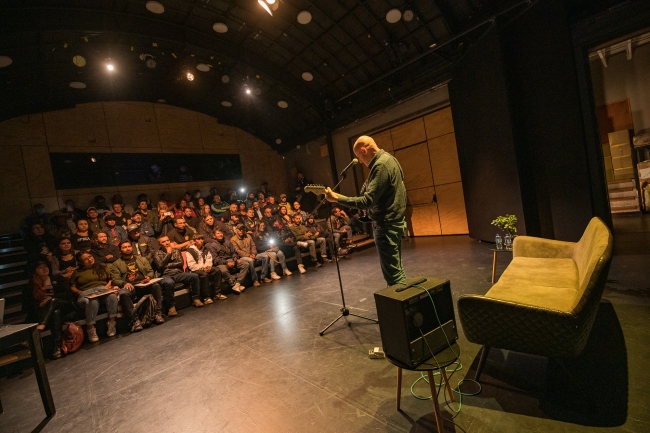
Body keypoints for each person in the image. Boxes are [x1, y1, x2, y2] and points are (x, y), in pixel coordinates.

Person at [325, 135, 407, 286]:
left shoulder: (380, 166)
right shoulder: (390, 159)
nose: (361, 161)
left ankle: (403, 305)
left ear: (363, 150)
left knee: (394, 277)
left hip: (386, 226)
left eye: (359, 157)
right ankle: (406, 305)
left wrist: (337, 198)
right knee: (397, 270)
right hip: (394, 223)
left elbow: (367, 201)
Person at [109, 241, 165, 330]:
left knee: (156, 286)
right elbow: (115, 279)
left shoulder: (141, 259)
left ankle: (158, 313)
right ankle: (135, 320)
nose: (127, 249)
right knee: (123, 293)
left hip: (143, 283)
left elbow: (150, 271)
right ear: (120, 250)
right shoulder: (116, 264)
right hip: (130, 286)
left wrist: (148, 277)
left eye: (129, 246)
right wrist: (124, 283)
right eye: (124, 247)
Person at [69, 252, 119, 342]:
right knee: (93, 301)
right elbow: (72, 286)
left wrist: (106, 288)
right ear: (81, 262)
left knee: (112, 297)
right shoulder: (77, 272)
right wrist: (79, 292)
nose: (90, 259)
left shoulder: (102, 266)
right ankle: (90, 328)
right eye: (86, 259)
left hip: (102, 290)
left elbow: (110, 279)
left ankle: (111, 323)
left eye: (90, 256)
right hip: (87, 292)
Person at [32, 262, 76, 359]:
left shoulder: (57, 279)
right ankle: (58, 347)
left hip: (66, 307)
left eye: (45, 266)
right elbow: (28, 304)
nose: (44, 269)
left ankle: (42, 324)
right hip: (48, 312)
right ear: (35, 271)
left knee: (53, 300)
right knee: (56, 312)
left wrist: (51, 298)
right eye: (40, 268)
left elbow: (68, 294)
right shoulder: (32, 285)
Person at [153, 235, 203, 313]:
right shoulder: (156, 253)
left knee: (194, 276)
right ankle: (171, 306)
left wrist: (168, 265)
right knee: (169, 283)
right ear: (159, 244)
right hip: (164, 275)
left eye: (167, 240)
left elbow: (180, 263)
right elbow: (160, 266)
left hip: (177, 273)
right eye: (163, 242)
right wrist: (168, 254)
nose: (167, 243)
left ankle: (196, 298)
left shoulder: (176, 250)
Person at [186, 234, 225, 304]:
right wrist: (203, 268)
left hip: (205, 267)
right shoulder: (190, 251)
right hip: (195, 270)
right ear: (194, 241)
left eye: (202, 239)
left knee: (217, 270)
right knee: (204, 275)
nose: (201, 241)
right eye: (199, 239)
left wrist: (207, 267)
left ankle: (217, 293)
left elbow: (209, 259)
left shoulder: (205, 249)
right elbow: (191, 265)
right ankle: (206, 297)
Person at [206, 229, 248, 293]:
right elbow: (216, 259)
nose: (220, 234)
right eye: (218, 233)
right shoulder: (212, 246)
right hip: (222, 262)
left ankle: (238, 283)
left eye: (221, 233)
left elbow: (233, 252)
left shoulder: (228, 242)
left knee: (245, 264)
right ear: (214, 236)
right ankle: (234, 284)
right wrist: (226, 263)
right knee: (223, 270)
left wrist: (235, 259)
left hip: (231, 259)